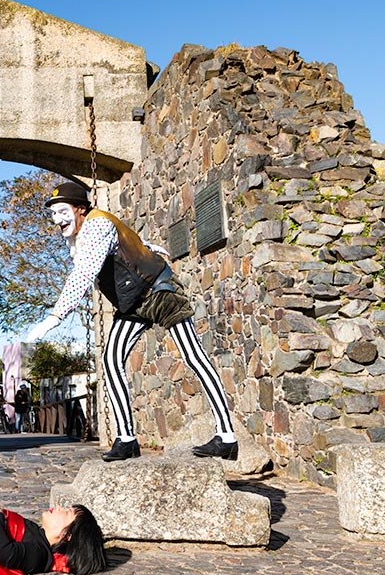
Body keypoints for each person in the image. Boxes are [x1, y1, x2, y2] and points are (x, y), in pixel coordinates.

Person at [25, 181, 238, 462]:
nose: (57, 220)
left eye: (62, 211)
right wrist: (145, 246)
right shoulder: (81, 236)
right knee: (112, 361)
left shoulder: (97, 225)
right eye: (53, 214)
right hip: (133, 303)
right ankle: (126, 440)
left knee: (193, 356)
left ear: (79, 209)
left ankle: (227, 437)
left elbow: (85, 273)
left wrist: (54, 317)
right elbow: (121, 245)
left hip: (159, 291)